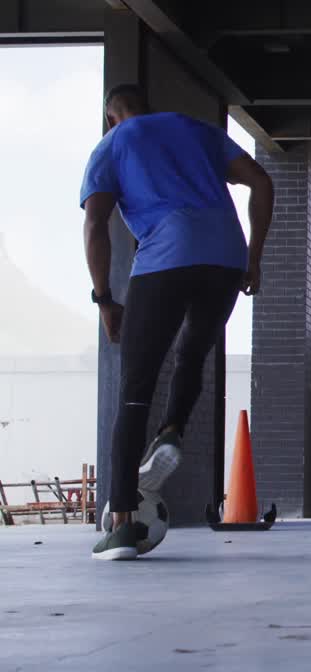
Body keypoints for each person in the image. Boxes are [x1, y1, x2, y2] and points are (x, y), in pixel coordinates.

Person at [81, 84, 274, 560]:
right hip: (225, 258)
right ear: (149, 105)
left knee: (134, 388)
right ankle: (172, 430)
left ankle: (123, 522)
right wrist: (253, 260)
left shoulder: (113, 145)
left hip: (167, 255)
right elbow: (261, 181)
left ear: (111, 117)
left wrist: (105, 298)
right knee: (194, 348)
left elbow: (95, 223)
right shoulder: (197, 130)